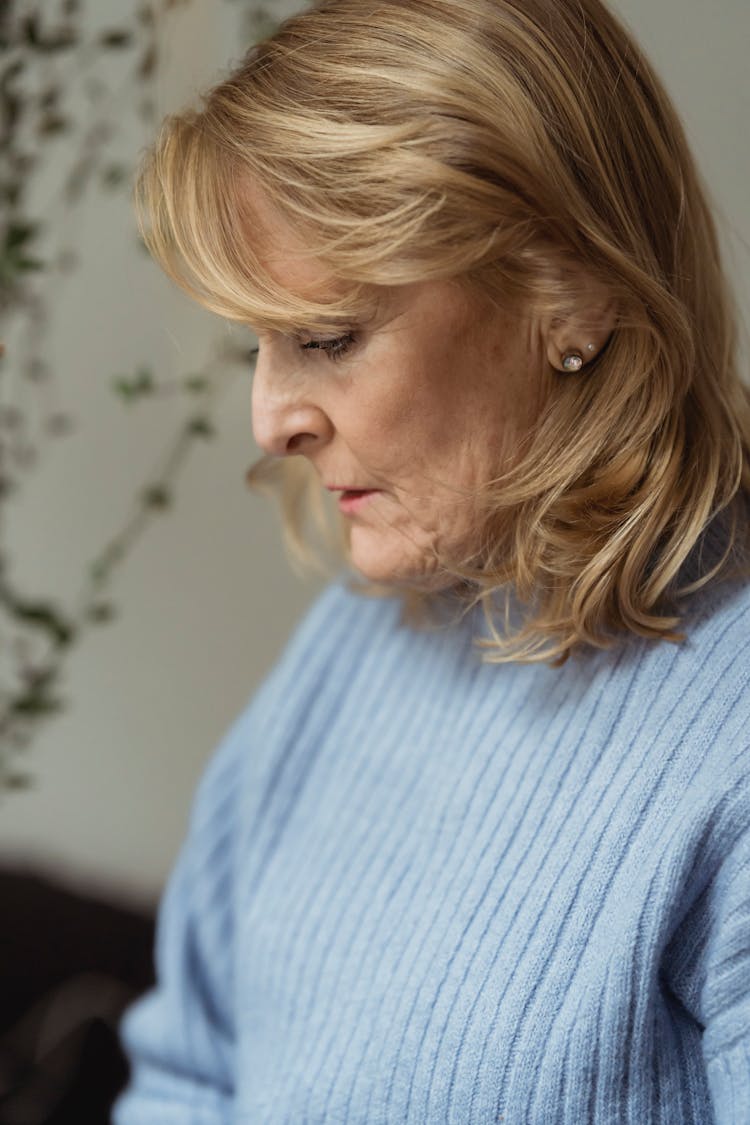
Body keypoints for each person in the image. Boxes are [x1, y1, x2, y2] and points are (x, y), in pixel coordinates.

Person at [113, 0, 750, 1120]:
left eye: (328, 339)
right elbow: (191, 1073)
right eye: (256, 345)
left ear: (574, 293)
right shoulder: (363, 637)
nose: (270, 420)